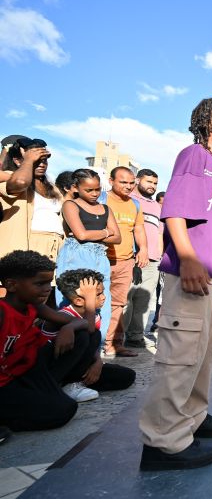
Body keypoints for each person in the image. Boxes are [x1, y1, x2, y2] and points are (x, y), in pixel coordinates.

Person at [139, 97, 212, 471]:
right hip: (191, 275)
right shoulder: (194, 156)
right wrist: (186, 257)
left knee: (201, 355)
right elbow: (175, 212)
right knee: (180, 357)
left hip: (211, 279)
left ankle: (193, 417)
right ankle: (163, 442)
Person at [0, 251, 87, 431]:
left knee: (83, 335)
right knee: (62, 411)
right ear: (11, 285)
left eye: (49, 282)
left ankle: (52, 388)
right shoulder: (3, 312)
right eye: (40, 283)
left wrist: (68, 328)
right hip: (5, 382)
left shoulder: (34, 306)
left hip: (23, 370)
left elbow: (83, 322)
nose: (48, 288)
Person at [56, 169, 121, 344]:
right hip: (76, 255)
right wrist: (106, 232)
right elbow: (81, 235)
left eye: (97, 189)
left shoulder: (105, 208)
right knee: (74, 298)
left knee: (102, 300)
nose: (94, 193)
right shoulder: (70, 205)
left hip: (100, 256)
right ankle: (69, 346)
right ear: (75, 187)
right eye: (89, 190)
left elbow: (118, 238)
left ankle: (95, 348)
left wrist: (93, 234)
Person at [52, 269, 135, 401]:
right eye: (98, 294)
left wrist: (98, 362)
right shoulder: (64, 315)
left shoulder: (94, 316)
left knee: (127, 376)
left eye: (103, 292)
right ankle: (67, 385)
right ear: (78, 301)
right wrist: (90, 298)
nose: (104, 297)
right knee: (90, 333)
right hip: (59, 370)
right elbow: (90, 330)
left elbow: (91, 346)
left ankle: (78, 383)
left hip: (80, 366)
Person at [103, 166, 147, 357]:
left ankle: (114, 343)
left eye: (131, 183)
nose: (128, 186)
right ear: (111, 181)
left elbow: (138, 229)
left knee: (118, 305)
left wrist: (143, 249)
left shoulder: (135, 204)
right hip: (101, 260)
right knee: (93, 302)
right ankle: (92, 344)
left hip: (125, 262)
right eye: (123, 182)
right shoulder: (101, 199)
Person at [0, 136, 61, 261]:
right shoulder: (10, 178)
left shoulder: (52, 188)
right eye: (36, 161)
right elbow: (21, 182)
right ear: (17, 161)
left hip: (54, 246)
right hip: (26, 244)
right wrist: (28, 160)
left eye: (44, 160)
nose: (42, 164)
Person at [123, 168, 162, 348]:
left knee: (143, 300)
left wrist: (159, 255)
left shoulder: (156, 206)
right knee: (125, 298)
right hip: (131, 257)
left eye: (155, 183)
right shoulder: (128, 199)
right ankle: (116, 338)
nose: (152, 186)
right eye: (149, 182)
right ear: (137, 180)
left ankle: (135, 336)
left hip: (153, 259)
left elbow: (159, 233)